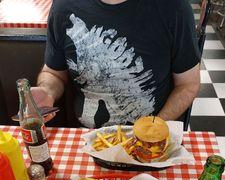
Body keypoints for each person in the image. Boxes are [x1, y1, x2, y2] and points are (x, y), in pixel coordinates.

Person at [33, 0, 200, 128]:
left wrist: (155, 127)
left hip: (152, 138)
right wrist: (47, 91)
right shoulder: (63, 6)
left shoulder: (173, 7)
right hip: (85, 139)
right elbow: (54, 73)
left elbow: (188, 84)